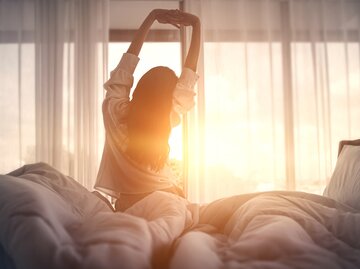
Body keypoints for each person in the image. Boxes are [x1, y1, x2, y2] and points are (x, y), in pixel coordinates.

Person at [94, 9, 201, 211]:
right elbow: (189, 74)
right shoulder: (168, 115)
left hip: (129, 203)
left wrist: (151, 17)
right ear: (169, 97)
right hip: (169, 196)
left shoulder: (114, 111)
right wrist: (196, 24)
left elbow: (126, 65)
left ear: (140, 88)